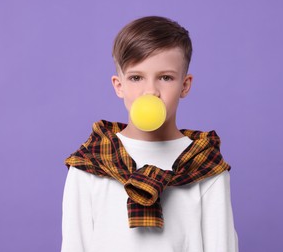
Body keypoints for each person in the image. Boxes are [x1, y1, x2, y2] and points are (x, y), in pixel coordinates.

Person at [61, 16, 239, 252]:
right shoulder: (88, 165)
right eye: (136, 77)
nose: (150, 91)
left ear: (185, 85)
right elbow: (75, 246)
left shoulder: (206, 166)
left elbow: (221, 246)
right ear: (119, 85)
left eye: (165, 77)